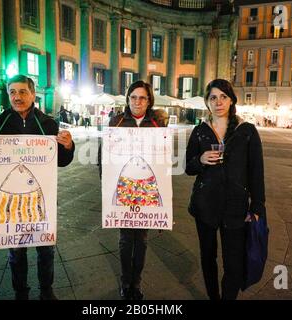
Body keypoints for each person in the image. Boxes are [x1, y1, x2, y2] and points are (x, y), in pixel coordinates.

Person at [0, 75, 75, 300]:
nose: (17, 97)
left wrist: (68, 145)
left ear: (33, 94)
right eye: (12, 92)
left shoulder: (48, 124)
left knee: (46, 250)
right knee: (16, 251)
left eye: (22, 92)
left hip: (39, 200)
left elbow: (61, 160)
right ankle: (21, 291)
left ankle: (46, 290)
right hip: (10, 202)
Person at [185, 79, 266, 300]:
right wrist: (200, 159)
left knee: (234, 263)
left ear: (231, 100)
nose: (218, 102)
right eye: (213, 97)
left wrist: (258, 205)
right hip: (205, 206)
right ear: (207, 103)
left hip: (235, 207)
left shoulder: (246, 131)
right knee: (208, 257)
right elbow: (189, 168)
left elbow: (256, 172)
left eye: (223, 97)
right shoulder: (200, 131)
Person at [101, 80, 167, 300]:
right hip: (124, 188)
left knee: (142, 240)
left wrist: (163, 201)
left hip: (146, 189)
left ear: (149, 101)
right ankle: (125, 281)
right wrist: (107, 184)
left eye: (142, 98)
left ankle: (136, 283)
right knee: (125, 240)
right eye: (133, 97)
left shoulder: (157, 125)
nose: (137, 102)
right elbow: (105, 158)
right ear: (128, 99)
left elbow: (163, 162)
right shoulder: (117, 122)